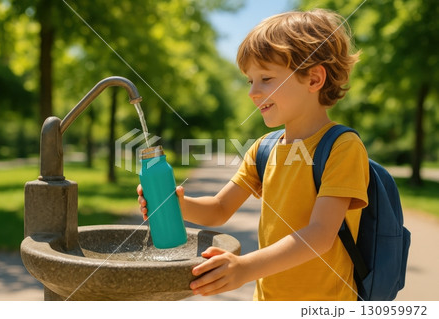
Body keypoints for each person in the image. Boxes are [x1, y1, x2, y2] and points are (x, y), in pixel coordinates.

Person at [137, 9, 369, 301]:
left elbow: (320, 235)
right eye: (250, 81)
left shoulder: (342, 147)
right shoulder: (264, 148)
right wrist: (177, 203)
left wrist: (245, 268)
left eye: (266, 78)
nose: (253, 92)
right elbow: (219, 209)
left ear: (313, 79)